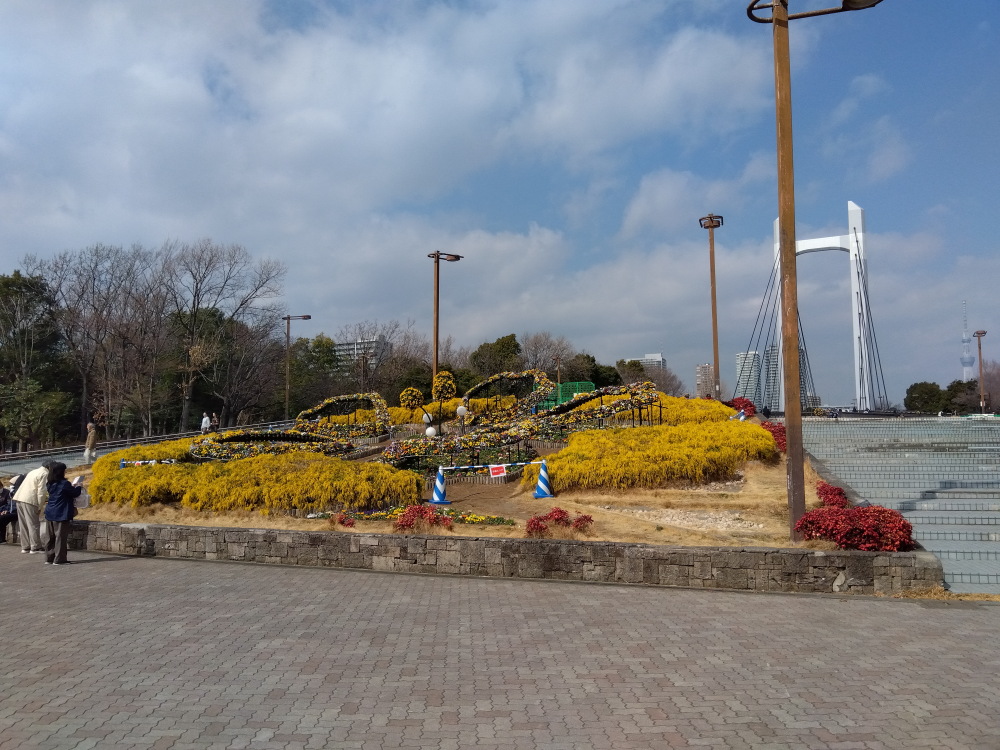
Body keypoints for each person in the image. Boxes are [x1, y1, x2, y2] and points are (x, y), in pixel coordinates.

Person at [43, 462, 81, 566]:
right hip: (61, 513)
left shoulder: (50, 483)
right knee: (60, 537)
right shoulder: (64, 484)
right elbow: (75, 493)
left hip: (50, 512)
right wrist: (78, 486)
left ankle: (49, 558)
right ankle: (60, 559)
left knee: (50, 537)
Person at [13, 461, 54, 553]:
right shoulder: (45, 474)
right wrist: (40, 506)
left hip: (19, 498)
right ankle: (35, 547)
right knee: (33, 524)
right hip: (30, 500)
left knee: (23, 525)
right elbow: (41, 492)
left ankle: (25, 546)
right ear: (50, 468)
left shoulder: (33, 471)